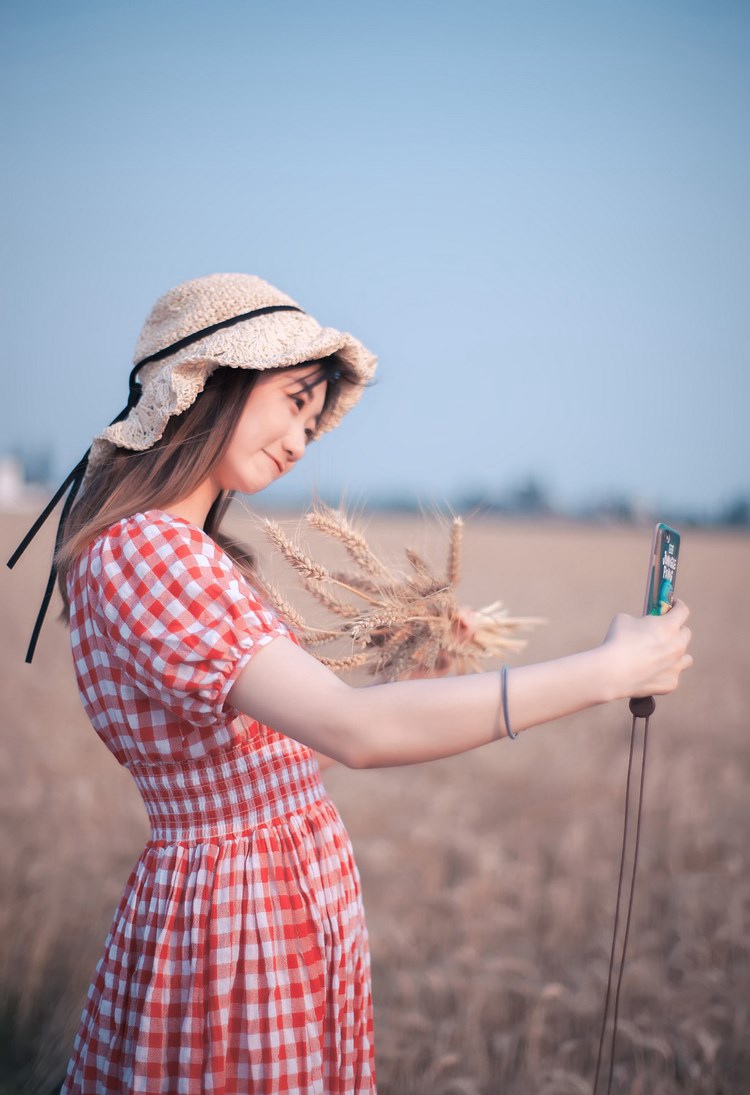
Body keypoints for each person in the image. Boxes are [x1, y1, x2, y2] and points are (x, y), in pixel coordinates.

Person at [15, 274, 692, 1094]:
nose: (303, 437)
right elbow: (353, 732)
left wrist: (414, 667)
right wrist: (605, 670)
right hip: (241, 925)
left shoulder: (181, 553)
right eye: (295, 399)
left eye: (313, 419)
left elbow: (277, 758)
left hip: (269, 904)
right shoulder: (152, 552)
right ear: (208, 380)